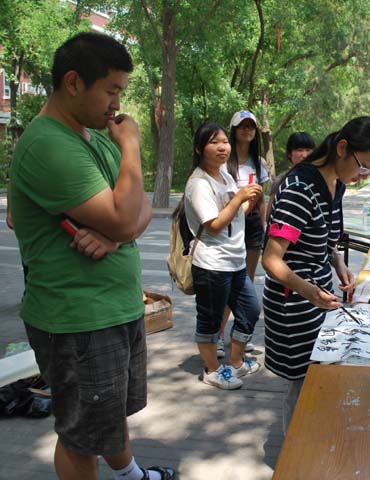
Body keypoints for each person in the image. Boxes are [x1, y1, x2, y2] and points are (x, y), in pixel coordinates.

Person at [9, 33, 174, 480]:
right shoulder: (49, 144)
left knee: (107, 417)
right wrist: (132, 146)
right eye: (111, 90)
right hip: (77, 319)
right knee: (80, 437)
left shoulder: (93, 138)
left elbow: (138, 210)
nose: (117, 104)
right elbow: (125, 215)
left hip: (111, 309)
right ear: (74, 82)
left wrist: (117, 237)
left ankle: (130, 476)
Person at [262, 116, 370, 432]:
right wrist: (309, 291)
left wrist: (339, 264)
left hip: (317, 294)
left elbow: (324, 240)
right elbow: (271, 259)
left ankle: (313, 438)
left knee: (319, 374)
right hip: (293, 300)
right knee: (303, 384)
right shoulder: (299, 188)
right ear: (342, 148)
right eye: (364, 166)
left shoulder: (337, 185)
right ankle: (295, 450)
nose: (364, 175)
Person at [181, 122, 263, 390]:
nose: (222, 147)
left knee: (250, 310)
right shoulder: (198, 183)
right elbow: (214, 225)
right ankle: (213, 370)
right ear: (199, 148)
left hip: (235, 261)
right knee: (211, 318)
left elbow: (234, 216)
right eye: (214, 142)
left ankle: (236, 362)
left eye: (225, 142)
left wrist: (250, 201)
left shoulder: (224, 176)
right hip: (212, 264)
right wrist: (239, 198)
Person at [217, 110, 269, 358]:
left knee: (246, 282)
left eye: (251, 127)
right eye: (242, 126)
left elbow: (261, 199)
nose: (247, 130)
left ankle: (240, 333)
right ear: (234, 130)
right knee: (227, 281)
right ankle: (217, 335)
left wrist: (265, 226)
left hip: (253, 226)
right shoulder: (223, 161)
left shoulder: (260, 163)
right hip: (229, 224)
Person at [266, 131, 316, 219]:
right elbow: (269, 215)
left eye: (308, 150)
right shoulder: (281, 180)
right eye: (300, 150)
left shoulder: (320, 179)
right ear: (289, 154)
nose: (305, 155)